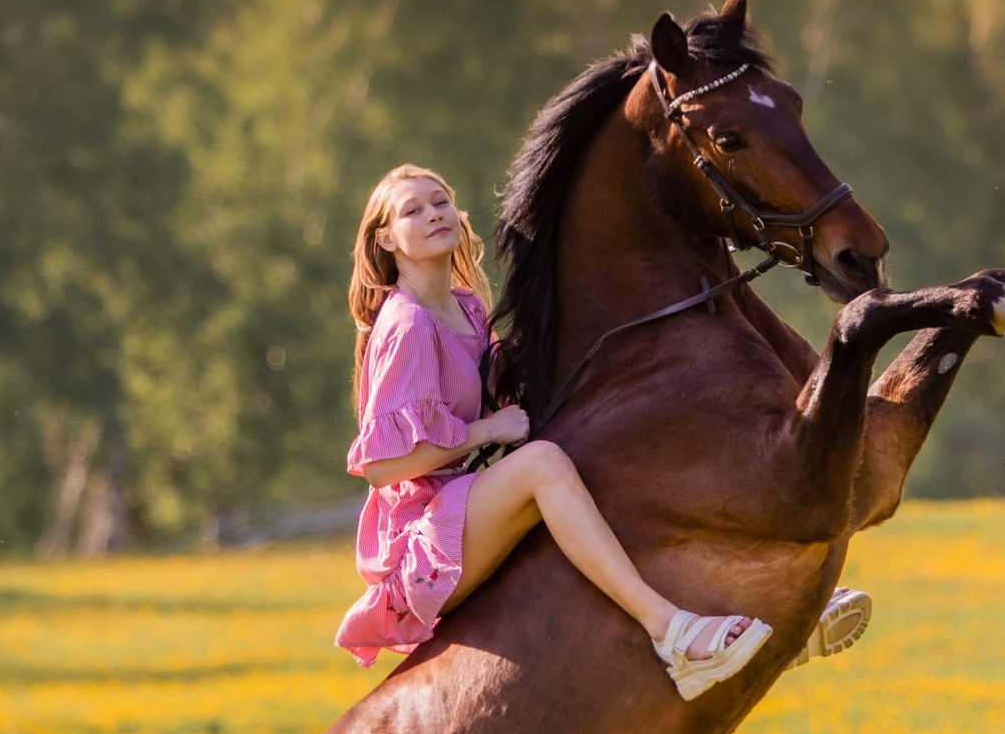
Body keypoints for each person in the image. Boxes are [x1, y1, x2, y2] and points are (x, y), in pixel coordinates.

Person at [335, 164, 868, 698]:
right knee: (545, 464)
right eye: (413, 210)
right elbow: (383, 468)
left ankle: (775, 604)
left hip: (467, 504)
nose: (433, 214)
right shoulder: (405, 324)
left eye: (440, 201)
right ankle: (672, 633)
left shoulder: (466, 306)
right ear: (385, 238)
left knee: (603, 444)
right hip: (421, 541)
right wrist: (485, 431)